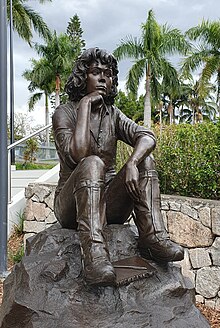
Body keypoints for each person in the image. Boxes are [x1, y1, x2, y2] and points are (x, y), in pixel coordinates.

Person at [52, 47, 184, 287]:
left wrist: (132, 162)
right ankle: (94, 255)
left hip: (108, 203)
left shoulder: (113, 114)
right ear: (83, 77)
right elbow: (77, 155)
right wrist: (84, 106)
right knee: (92, 162)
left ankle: (152, 237)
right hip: (70, 206)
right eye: (95, 72)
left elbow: (147, 136)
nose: (104, 78)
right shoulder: (64, 112)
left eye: (109, 73)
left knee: (145, 160)